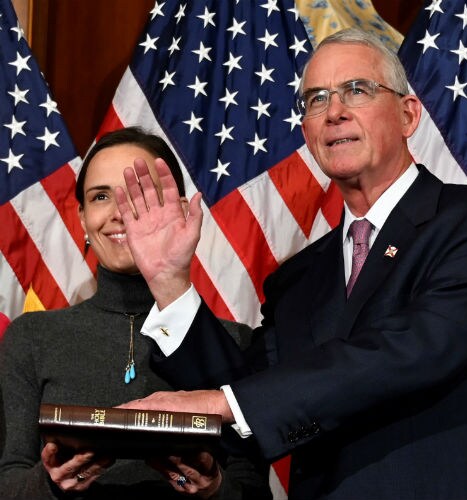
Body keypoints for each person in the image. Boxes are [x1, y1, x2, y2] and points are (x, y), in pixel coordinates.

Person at [116, 28, 467, 500]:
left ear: (408, 115)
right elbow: (252, 399)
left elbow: (415, 349)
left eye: (357, 90)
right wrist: (169, 281)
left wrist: (227, 403)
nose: (334, 111)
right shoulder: (298, 279)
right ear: (307, 132)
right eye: (316, 99)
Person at [0, 127, 271, 500]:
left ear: (178, 208)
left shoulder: (234, 341)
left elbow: (253, 489)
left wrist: (214, 489)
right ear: (82, 218)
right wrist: (51, 483)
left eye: (139, 195)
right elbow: (8, 481)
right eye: (100, 196)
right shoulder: (31, 337)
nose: (119, 214)